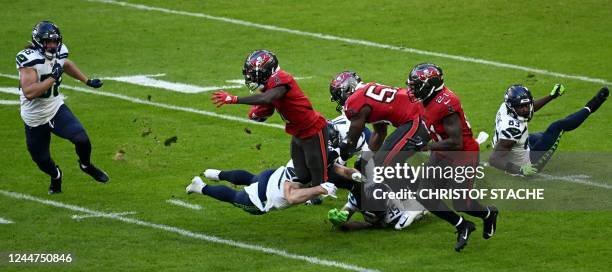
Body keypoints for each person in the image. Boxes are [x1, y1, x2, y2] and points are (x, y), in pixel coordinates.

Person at [406, 63, 497, 252]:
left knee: (461, 202)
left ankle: (488, 213)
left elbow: (457, 142)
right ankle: (462, 225)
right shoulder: (428, 99)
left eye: (415, 85)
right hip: (442, 151)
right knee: (424, 194)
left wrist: (427, 146)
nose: (411, 89)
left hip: (462, 154)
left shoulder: (446, 104)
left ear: (429, 84)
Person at [16, 21, 108, 194]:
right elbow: (29, 92)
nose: (52, 45)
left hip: (55, 108)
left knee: (82, 139)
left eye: (55, 41)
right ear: (38, 42)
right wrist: (52, 78)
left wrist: (86, 81)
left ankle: (86, 165)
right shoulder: (29, 60)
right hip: (34, 118)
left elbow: (66, 64)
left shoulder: (59, 51)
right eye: (48, 42)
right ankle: (56, 175)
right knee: (42, 161)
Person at [212, 50, 328, 186]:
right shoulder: (269, 85)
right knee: (302, 173)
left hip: (312, 128)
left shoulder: (281, 77)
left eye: (254, 73)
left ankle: (320, 193)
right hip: (297, 131)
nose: (251, 77)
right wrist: (258, 114)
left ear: (266, 70)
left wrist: (234, 99)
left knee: (316, 169)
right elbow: (269, 107)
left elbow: (268, 98)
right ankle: (315, 188)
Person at [489, 84, 608, 175]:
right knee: (557, 127)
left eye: (527, 105)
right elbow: (494, 159)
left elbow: (530, 107)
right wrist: (521, 170)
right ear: (513, 107)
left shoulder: (506, 107)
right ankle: (591, 106)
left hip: (515, 149)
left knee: (542, 136)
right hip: (525, 165)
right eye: (521, 107)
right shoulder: (512, 130)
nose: (526, 109)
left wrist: (551, 96)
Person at [186, 166, 337, 215]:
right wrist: (318, 190)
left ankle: (217, 174)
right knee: (234, 196)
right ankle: (200, 187)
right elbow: (291, 197)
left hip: (271, 176)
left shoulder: (303, 157)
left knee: (251, 178)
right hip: (261, 198)